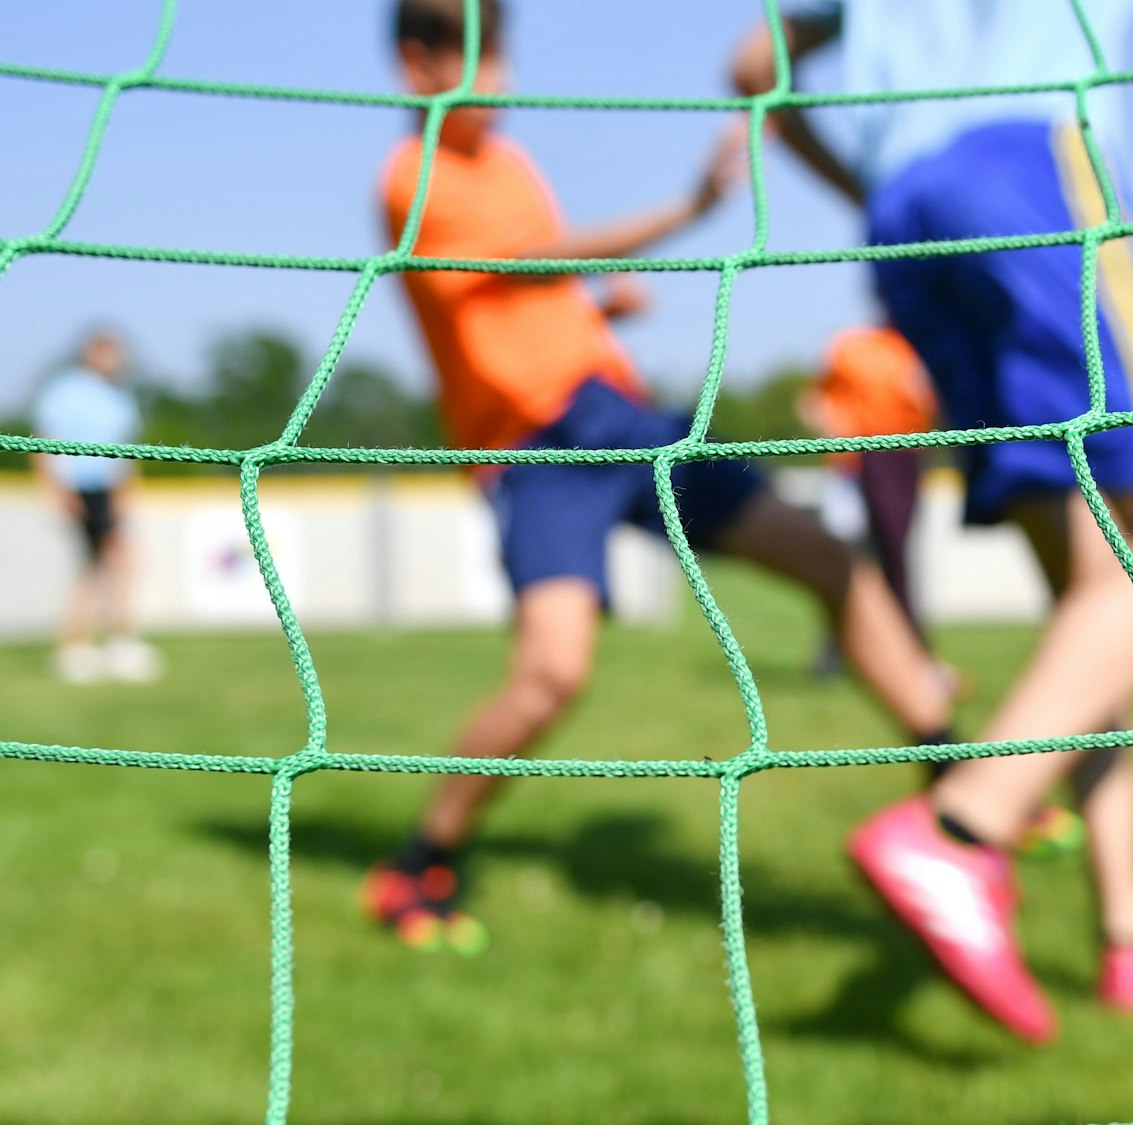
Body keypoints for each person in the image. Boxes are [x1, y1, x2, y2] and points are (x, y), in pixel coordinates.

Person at [361, 0, 954, 953]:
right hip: (537, 453)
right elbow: (514, 268)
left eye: (506, 53)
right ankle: (419, 859)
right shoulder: (409, 176)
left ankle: (956, 779)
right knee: (552, 673)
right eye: (482, 58)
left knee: (827, 557)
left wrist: (601, 314)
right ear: (417, 66)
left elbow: (523, 303)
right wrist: (681, 213)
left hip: (619, 417)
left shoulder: (510, 166)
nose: (504, 80)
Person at [733, 0, 1133, 1043]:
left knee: (1099, 614)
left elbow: (753, 67)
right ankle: (963, 832)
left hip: (908, 221)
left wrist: (865, 180)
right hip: (1033, 169)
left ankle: (1127, 931)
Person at [32, 328, 161, 685]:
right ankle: (98, 645)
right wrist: (58, 492)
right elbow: (45, 441)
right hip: (78, 487)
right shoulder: (65, 391)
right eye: (106, 353)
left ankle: (90, 647)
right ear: (90, 354)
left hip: (109, 490)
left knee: (106, 565)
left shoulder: (121, 398)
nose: (113, 360)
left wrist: (127, 494)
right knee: (110, 564)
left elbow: (126, 453)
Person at [800, 325, 938, 641]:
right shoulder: (851, 347)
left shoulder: (920, 343)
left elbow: (933, 401)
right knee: (848, 552)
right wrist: (835, 426)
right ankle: (840, 642)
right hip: (852, 462)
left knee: (895, 550)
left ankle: (907, 641)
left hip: (902, 455)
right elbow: (814, 398)